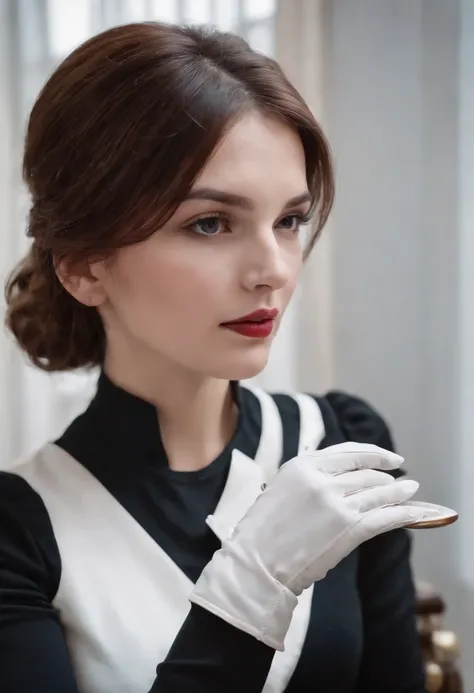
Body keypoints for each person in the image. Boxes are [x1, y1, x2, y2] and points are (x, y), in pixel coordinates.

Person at [0, 21, 428, 693]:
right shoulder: (20, 531)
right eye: (210, 223)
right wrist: (256, 579)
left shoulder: (345, 444)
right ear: (84, 266)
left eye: (289, 219)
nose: (272, 270)